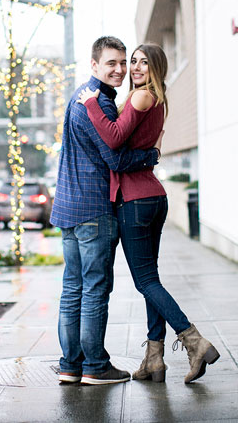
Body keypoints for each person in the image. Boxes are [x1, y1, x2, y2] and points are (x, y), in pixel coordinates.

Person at [77, 43, 220, 384]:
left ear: (156, 68)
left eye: (143, 63)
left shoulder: (142, 96)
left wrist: (92, 103)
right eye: (133, 62)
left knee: (145, 281)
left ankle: (194, 341)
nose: (135, 68)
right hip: (152, 196)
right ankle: (154, 359)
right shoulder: (157, 99)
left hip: (135, 201)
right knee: (150, 280)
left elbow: (112, 139)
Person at [51, 36, 162, 386]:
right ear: (94, 64)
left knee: (73, 287)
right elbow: (115, 156)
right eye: (111, 63)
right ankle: (95, 366)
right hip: (94, 208)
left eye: (122, 62)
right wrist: (150, 156)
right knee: (94, 287)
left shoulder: (77, 97)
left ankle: (70, 364)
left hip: (68, 207)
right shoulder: (98, 102)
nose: (119, 69)